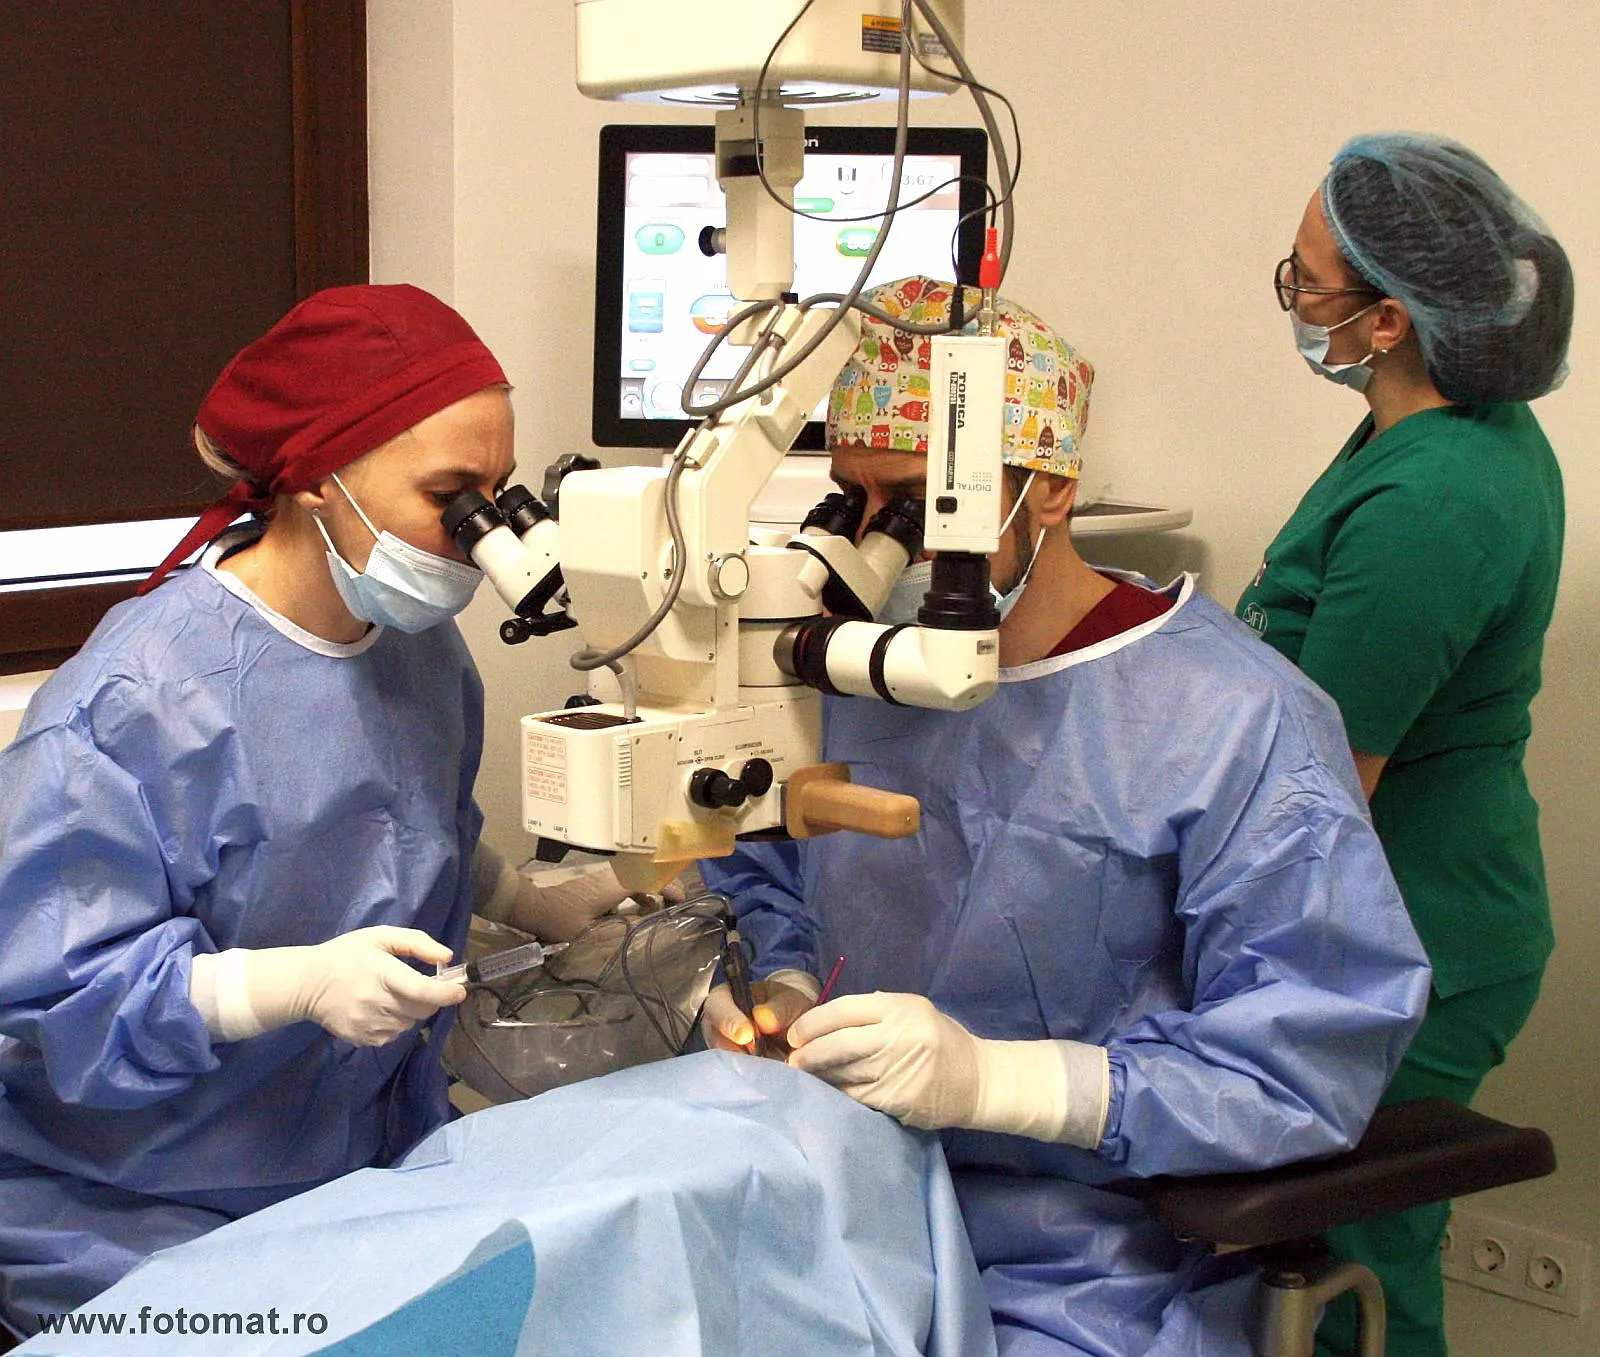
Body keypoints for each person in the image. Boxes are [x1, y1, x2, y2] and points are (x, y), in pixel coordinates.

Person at [698, 276, 1433, 1357]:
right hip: (834, 1189)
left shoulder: (1232, 717)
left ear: (1046, 491)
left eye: (912, 506)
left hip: (1088, 1256)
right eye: (853, 502)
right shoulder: (845, 671)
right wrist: (785, 983)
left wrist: (999, 1081)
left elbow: (1305, 1052)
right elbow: (760, 872)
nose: (876, 549)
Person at [0, 284, 641, 1338]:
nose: (484, 535)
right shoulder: (134, 702)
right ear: (315, 481)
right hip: (135, 1202)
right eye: (452, 496)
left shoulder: (421, 649)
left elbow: (402, 824)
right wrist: (291, 984)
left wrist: (529, 901)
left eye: (499, 494)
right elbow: (63, 996)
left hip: (358, 1161)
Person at [1236, 134, 1572, 1357]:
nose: (1293, 298)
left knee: (1351, 1265)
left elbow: (1327, 789)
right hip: (1411, 909)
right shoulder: (1431, 429)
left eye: (1306, 279)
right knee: (1367, 1248)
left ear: (1386, 321)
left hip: (1417, 932)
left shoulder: (1436, 496)